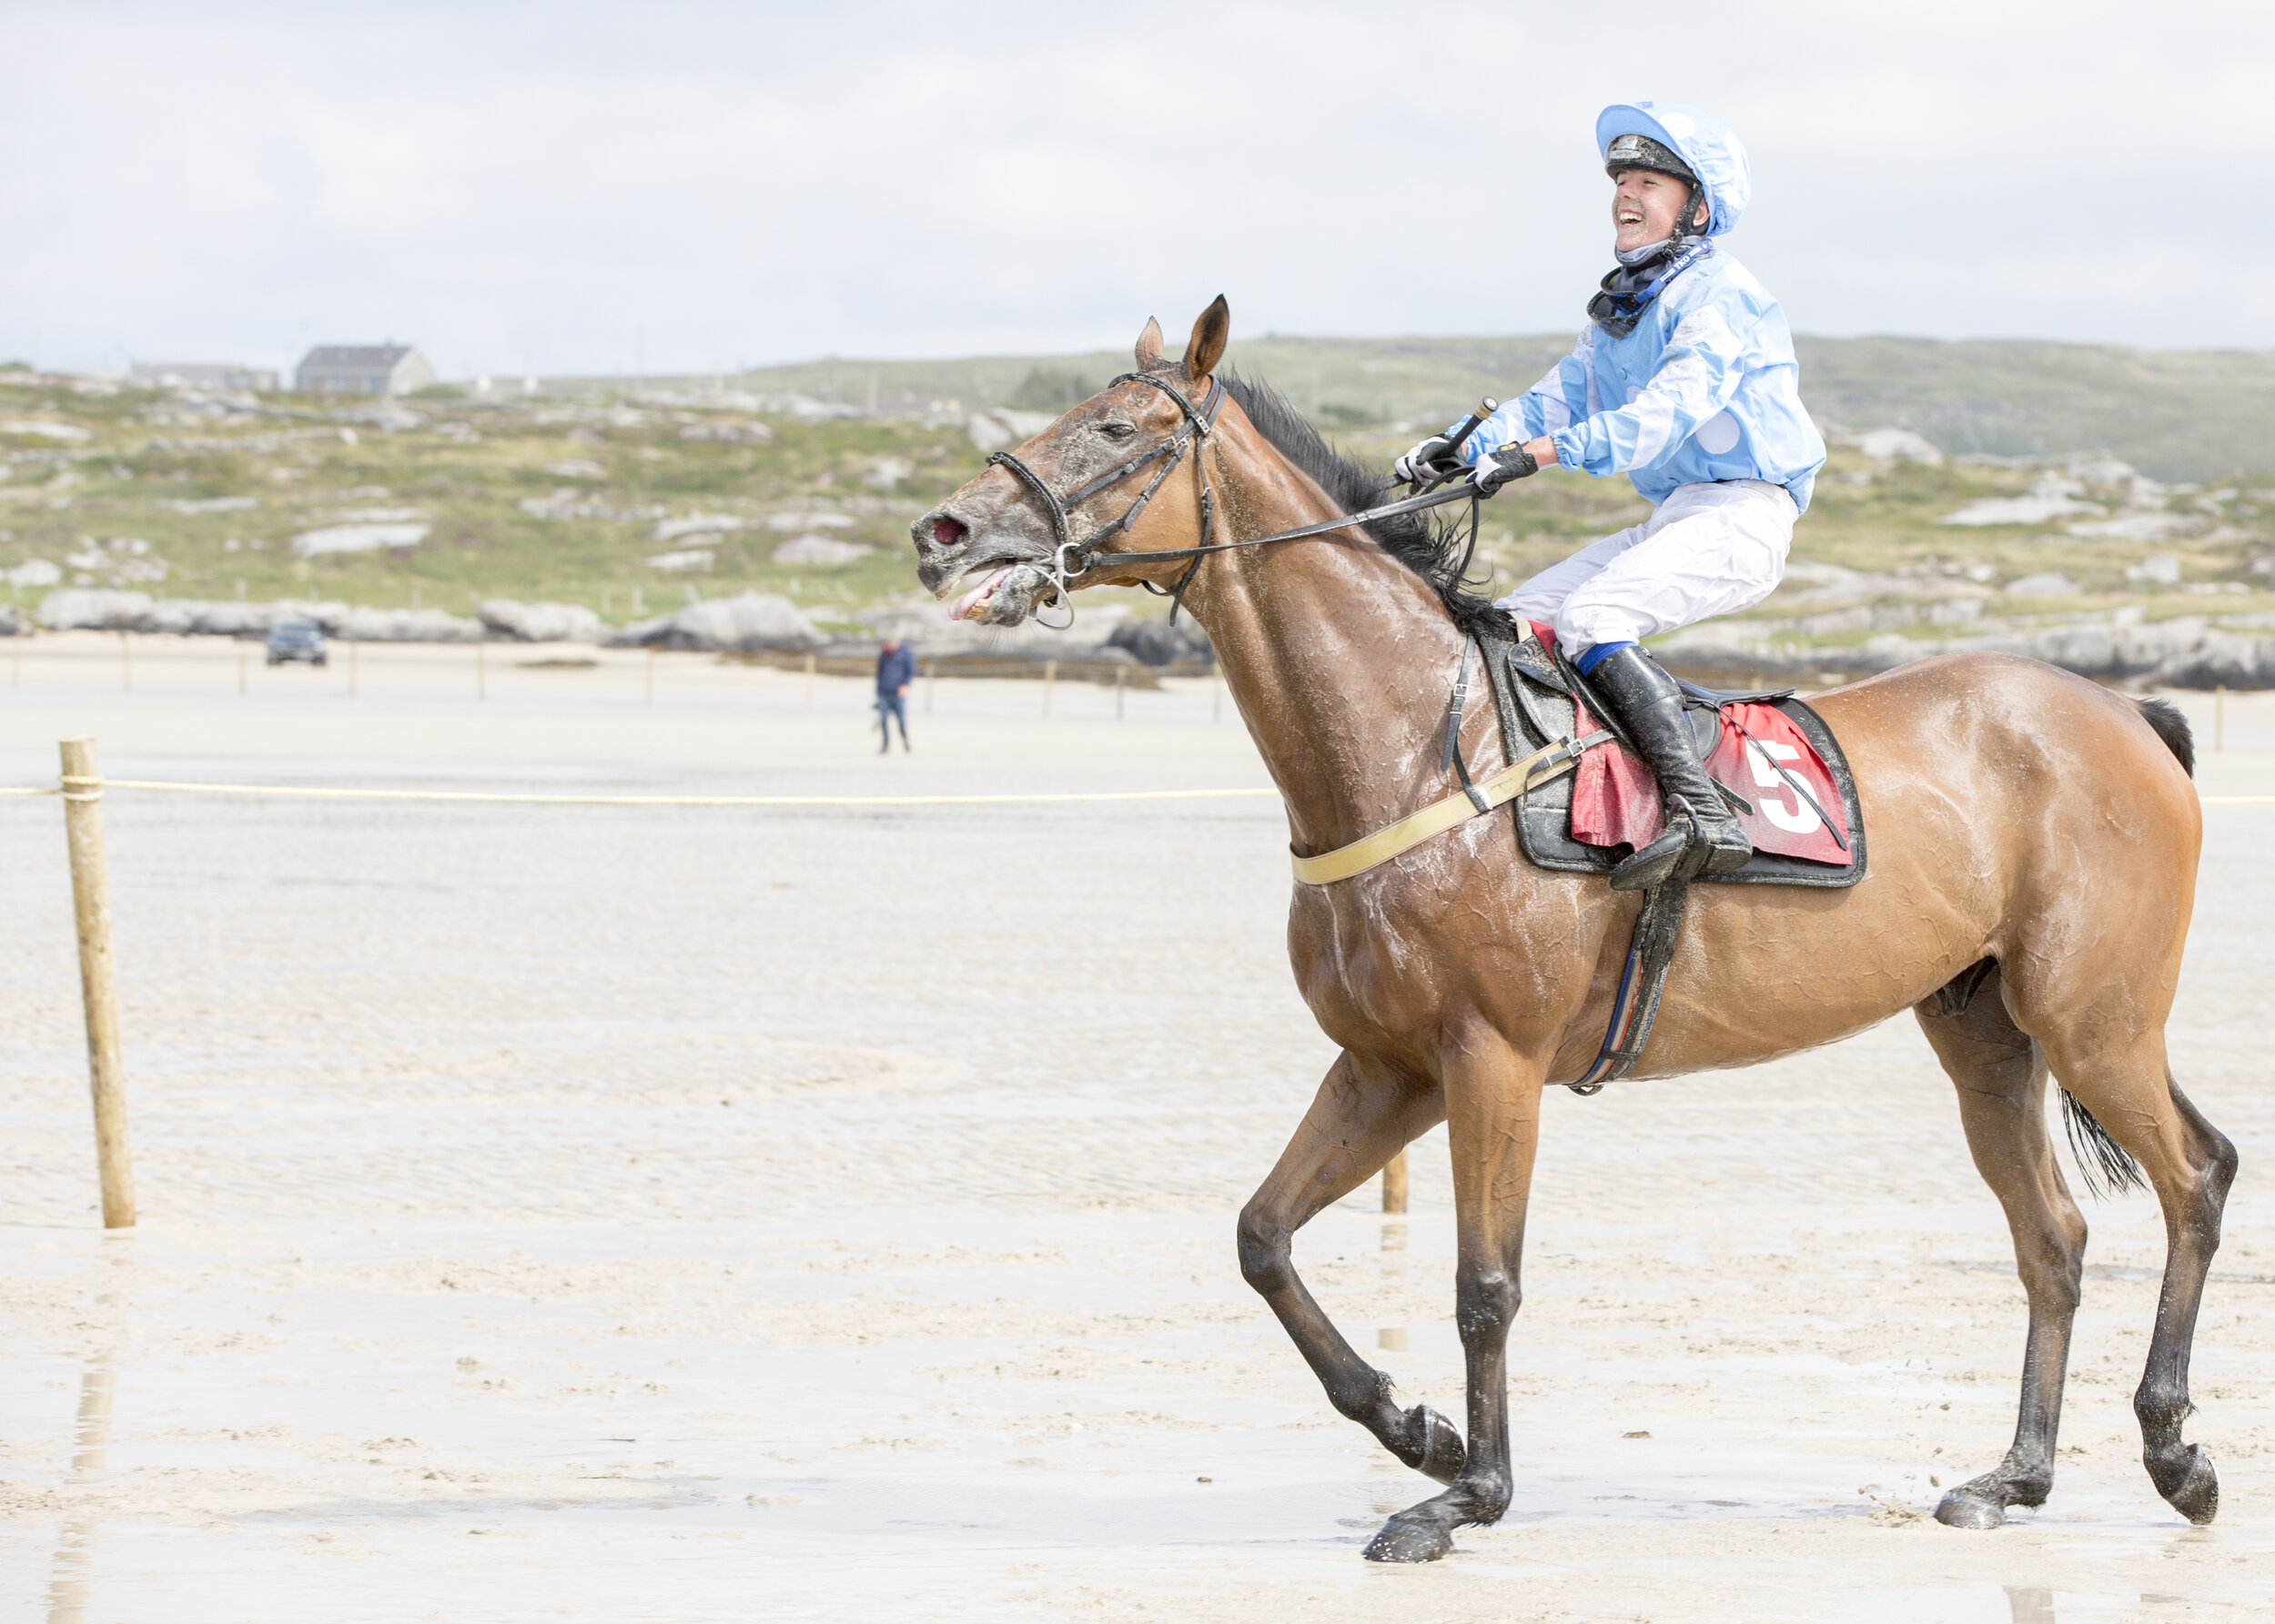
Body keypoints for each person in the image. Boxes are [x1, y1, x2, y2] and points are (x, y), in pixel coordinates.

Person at [1394, 101, 1825, 892]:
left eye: (1648, 180)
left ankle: (1705, 814)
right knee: (1517, 623)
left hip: (1744, 514)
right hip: (1677, 515)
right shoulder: (1623, 311)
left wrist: (1543, 456)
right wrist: (1456, 447)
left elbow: (1664, 417)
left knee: (1594, 618)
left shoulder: (1721, 294)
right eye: (1621, 177)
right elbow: (1551, 402)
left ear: (1696, 206)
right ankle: (1567, 789)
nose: (1626, 193)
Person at [875, 637, 915, 753]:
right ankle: (885, 745)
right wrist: (877, 692)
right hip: (883, 692)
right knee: (883, 720)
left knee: (901, 721)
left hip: (898, 693)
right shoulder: (884, 653)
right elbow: (879, 673)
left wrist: (905, 686)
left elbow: (911, 671)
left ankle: (906, 743)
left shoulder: (905, 653)